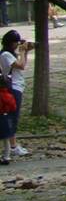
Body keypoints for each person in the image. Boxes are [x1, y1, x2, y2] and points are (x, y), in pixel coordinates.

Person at [1, 30, 31, 162]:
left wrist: (26, 52)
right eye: (16, 42)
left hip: (17, 86)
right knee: (12, 117)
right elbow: (21, 65)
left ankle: (12, 147)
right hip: (13, 87)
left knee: (13, 117)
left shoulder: (10, 54)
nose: (17, 45)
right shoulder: (6, 54)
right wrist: (23, 51)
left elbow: (21, 64)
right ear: (11, 42)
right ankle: (12, 147)